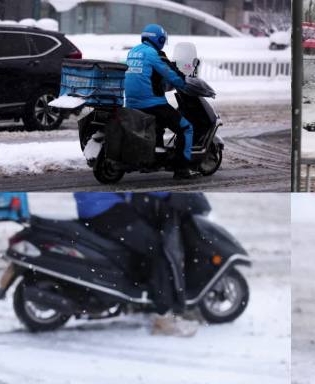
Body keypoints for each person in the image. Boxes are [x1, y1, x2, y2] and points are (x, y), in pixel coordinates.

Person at [74, 192, 197, 336]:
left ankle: (143, 301)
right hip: (108, 210)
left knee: (142, 245)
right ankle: (163, 318)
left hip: (92, 209)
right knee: (158, 250)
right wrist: (168, 192)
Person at [124, 24, 199, 179]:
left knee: (159, 125)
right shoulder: (154, 54)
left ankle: (153, 160)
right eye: (163, 39)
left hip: (131, 103)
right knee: (185, 128)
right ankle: (182, 169)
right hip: (151, 103)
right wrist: (186, 85)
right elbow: (170, 73)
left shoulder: (133, 51)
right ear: (159, 39)